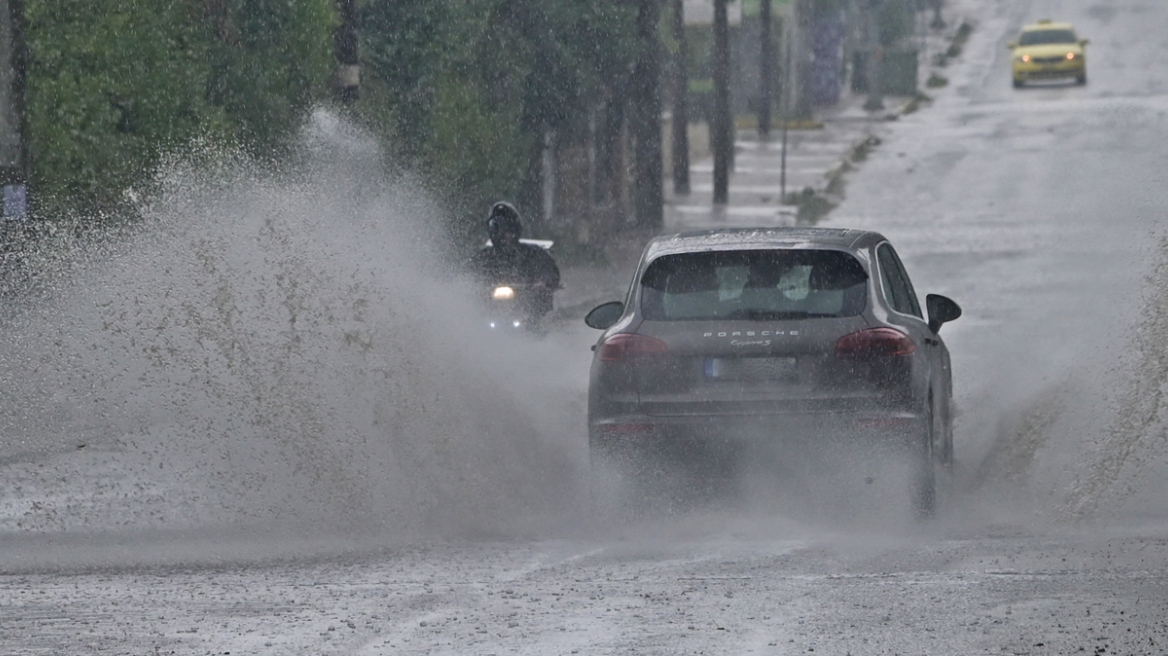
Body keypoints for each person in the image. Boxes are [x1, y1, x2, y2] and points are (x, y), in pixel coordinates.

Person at [466, 201, 561, 323]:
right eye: (498, 229)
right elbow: (467, 273)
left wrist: (543, 283)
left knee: (544, 319)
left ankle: (539, 333)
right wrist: (468, 286)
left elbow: (548, 271)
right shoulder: (483, 257)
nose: (504, 235)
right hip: (491, 310)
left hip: (527, 309)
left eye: (507, 230)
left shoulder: (534, 254)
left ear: (516, 230)